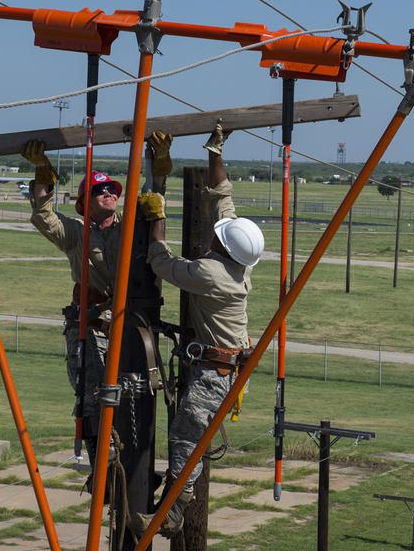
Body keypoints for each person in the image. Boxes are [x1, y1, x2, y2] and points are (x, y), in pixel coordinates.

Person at [132, 124, 264, 537]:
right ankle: (168, 496)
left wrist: (157, 216)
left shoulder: (210, 272)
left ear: (223, 246)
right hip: (219, 365)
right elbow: (223, 198)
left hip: (213, 373)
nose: (215, 233)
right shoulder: (237, 262)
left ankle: (169, 517)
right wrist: (215, 152)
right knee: (184, 437)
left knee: (186, 442)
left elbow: (160, 261)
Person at [22, 131, 173, 485]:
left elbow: (153, 203)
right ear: (83, 203)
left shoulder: (131, 228)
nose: (108, 194)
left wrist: (159, 166)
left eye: (111, 191)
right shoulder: (77, 234)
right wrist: (43, 175)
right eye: (98, 191)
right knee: (92, 399)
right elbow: (45, 218)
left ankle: (136, 472)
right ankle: (102, 470)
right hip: (90, 326)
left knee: (135, 394)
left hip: (129, 323)